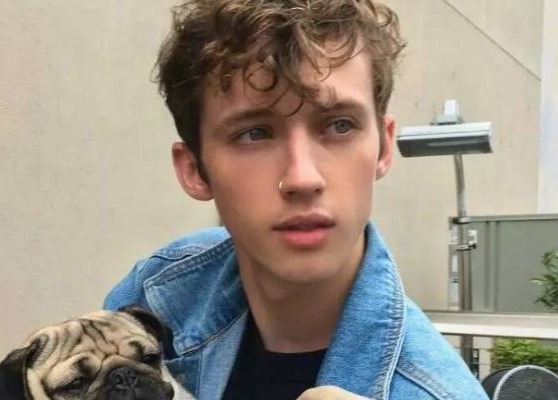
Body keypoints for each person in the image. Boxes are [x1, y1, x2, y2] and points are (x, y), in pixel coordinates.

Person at [104, 0, 488, 399]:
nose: (303, 178)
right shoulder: (158, 291)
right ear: (194, 170)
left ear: (384, 148)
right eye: (254, 133)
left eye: (340, 125)